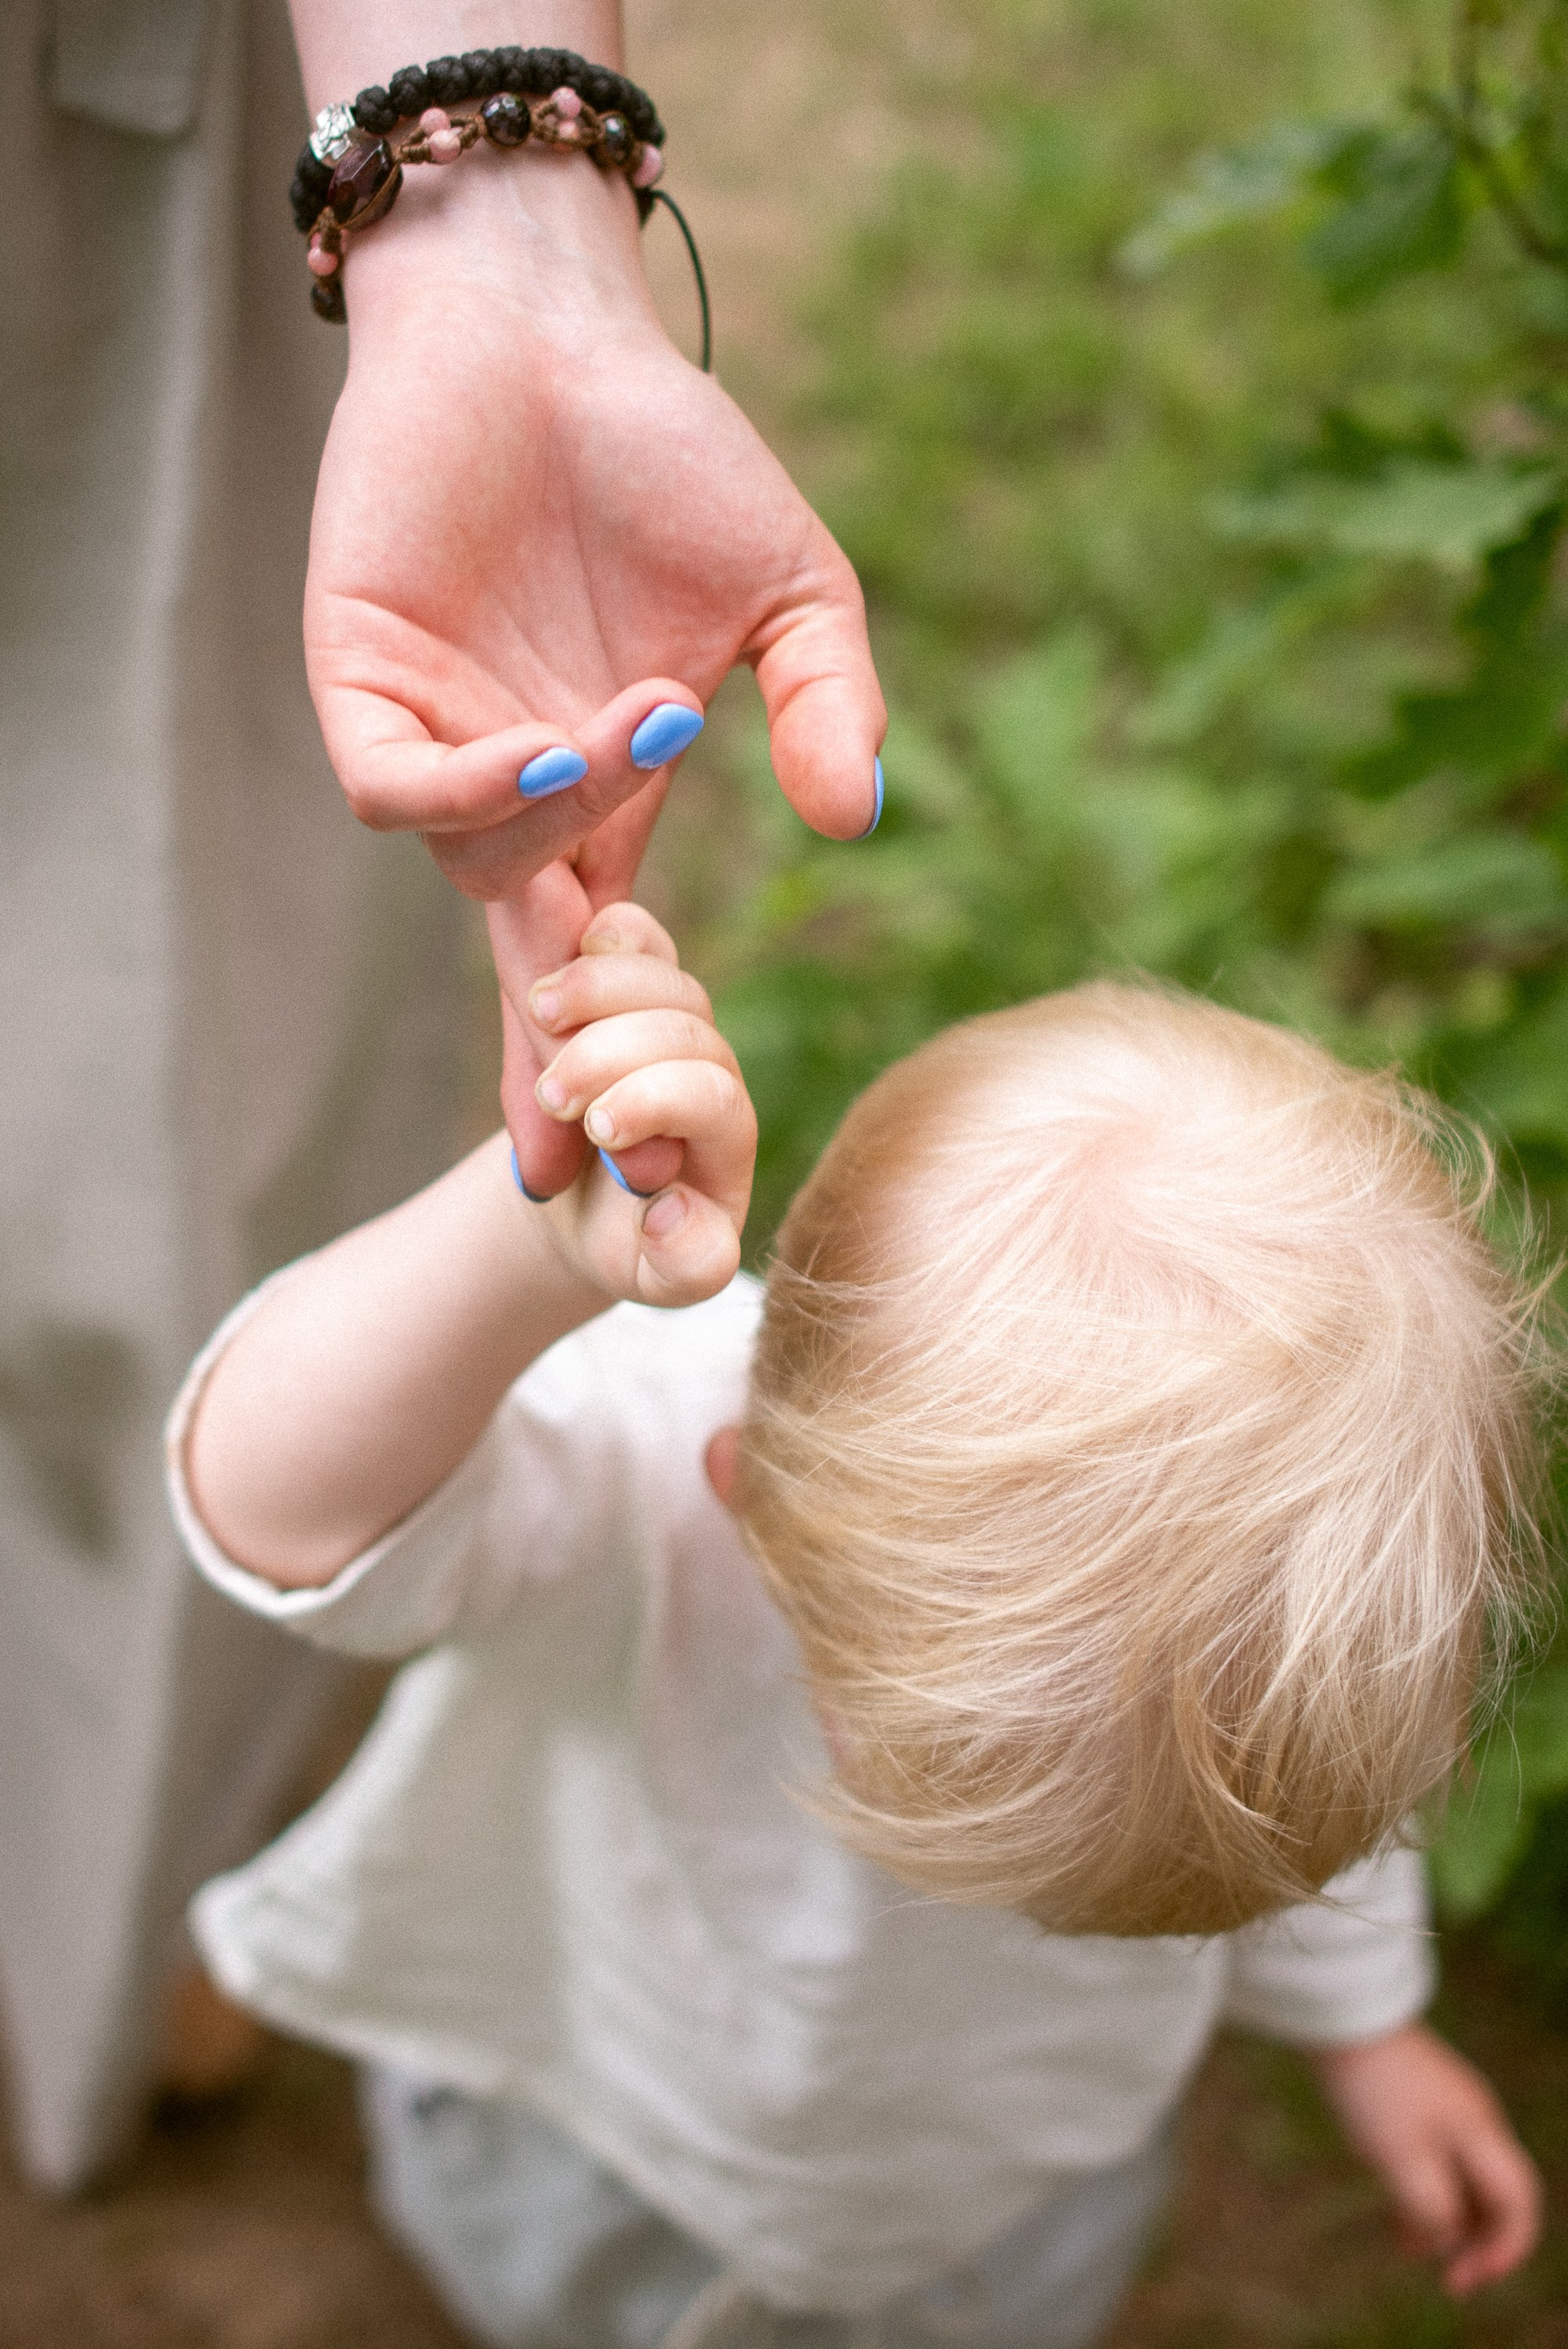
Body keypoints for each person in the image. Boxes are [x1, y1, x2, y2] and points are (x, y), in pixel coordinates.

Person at [164, 900, 1545, 2347]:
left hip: (1000, 2203)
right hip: (593, 2117)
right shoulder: (638, 1471)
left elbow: (1306, 1822)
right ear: (746, 1491)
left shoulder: (1293, 1643)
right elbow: (271, 1509)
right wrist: (527, 1243)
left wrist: (1366, 2030)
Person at [1, 0, 881, 2187]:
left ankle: (85, 1901)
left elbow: (266, 1486)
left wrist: (487, 218)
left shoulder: (681, 1494)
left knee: (144, 1066)